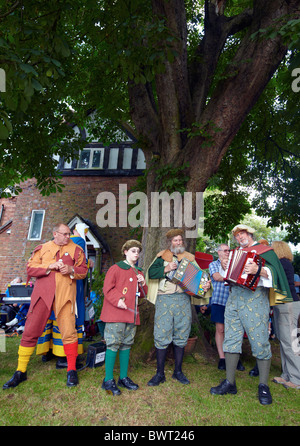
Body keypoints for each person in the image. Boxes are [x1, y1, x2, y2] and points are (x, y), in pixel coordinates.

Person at [210, 224, 292, 405]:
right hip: (233, 300)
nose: (240, 238)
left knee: (260, 340)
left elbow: (274, 274)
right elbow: (226, 276)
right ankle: (230, 382)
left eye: (243, 234)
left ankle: (263, 386)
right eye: (237, 236)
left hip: (255, 300)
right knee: (230, 339)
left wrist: (259, 270)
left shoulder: (265, 251)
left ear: (250, 234)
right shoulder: (233, 253)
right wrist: (224, 266)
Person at [3, 223, 88, 390]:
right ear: (55, 233)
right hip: (42, 296)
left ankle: (71, 370)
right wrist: (49, 266)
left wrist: (70, 269)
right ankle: (20, 370)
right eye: (64, 234)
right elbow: (30, 268)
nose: (67, 237)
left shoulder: (77, 249)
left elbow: (83, 271)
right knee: (30, 330)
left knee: (69, 332)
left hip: (65, 297)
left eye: (69, 234)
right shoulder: (42, 248)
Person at [146, 229, 211, 387]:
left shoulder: (189, 258)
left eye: (180, 240)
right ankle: (159, 373)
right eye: (175, 240)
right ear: (170, 243)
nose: (179, 243)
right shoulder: (162, 256)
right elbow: (151, 273)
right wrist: (166, 269)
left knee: (182, 333)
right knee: (162, 333)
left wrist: (205, 285)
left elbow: (200, 278)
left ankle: (178, 372)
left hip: (183, 300)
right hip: (165, 300)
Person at [36, 223, 93, 368]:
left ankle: (48, 351)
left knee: (52, 316)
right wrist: (88, 262)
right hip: (70, 284)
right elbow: (80, 264)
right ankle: (63, 357)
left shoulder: (51, 244)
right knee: (67, 319)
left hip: (51, 285)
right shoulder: (78, 241)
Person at [100, 240, 147, 396]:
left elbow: (143, 295)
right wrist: (118, 299)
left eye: (138, 251)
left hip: (131, 315)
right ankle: (107, 380)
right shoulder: (116, 268)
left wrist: (143, 283)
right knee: (113, 344)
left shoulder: (139, 272)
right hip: (116, 313)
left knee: (127, 344)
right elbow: (107, 288)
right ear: (125, 251)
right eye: (133, 250)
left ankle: (123, 377)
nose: (136, 254)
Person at [209, 244, 244, 371]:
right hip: (219, 300)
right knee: (220, 329)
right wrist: (231, 276)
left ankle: (235, 358)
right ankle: (222, 358)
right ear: (218, 252)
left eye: (228, 250)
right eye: (224, 250)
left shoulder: (236, 263)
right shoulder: (213, 264)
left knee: (235, 330)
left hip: (234, 301)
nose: (227, 252)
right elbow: (216, 277)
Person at [271, 241, 300, 390]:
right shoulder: (284, 263)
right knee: (284, 341)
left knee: (290, 342)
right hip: (282, 304)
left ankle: (296, 379)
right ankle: (286, 375)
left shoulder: (282, 263)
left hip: (288, 304)